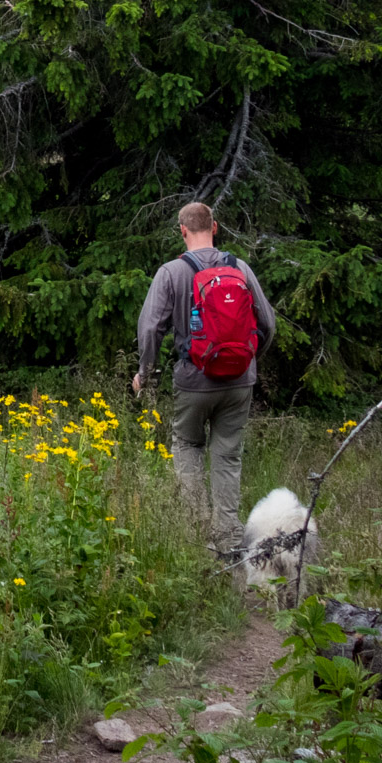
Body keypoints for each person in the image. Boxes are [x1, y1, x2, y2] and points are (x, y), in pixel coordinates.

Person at [133, 202, 277, 555]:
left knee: (187, 446)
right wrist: (249, 361)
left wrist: (144, 373)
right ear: (215, 227)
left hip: (193, 382)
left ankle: (197, 538)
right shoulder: (240, 267)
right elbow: (268, 323)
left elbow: (151, 327)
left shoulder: (170, 272)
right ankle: (229, 537)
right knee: (227, 457)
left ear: (182, 231)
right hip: (239, 381)